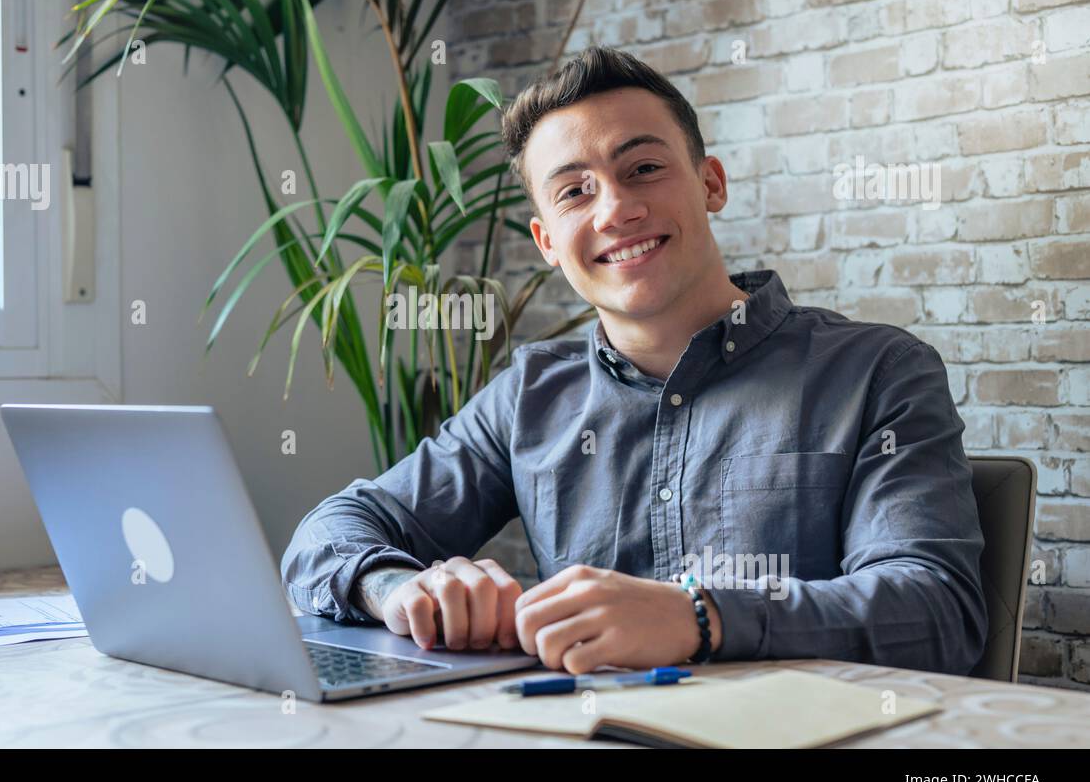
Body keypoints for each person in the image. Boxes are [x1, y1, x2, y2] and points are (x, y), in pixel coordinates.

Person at [280, 45, 988, 677]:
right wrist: (399, 589)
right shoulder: (530, 395)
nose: (615, 209)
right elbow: (327, 534)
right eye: (574, 192)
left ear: (710, 184)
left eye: (643, 168)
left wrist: (699, 617)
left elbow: (938, 612)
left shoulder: (879, 371)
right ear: (549, 241)